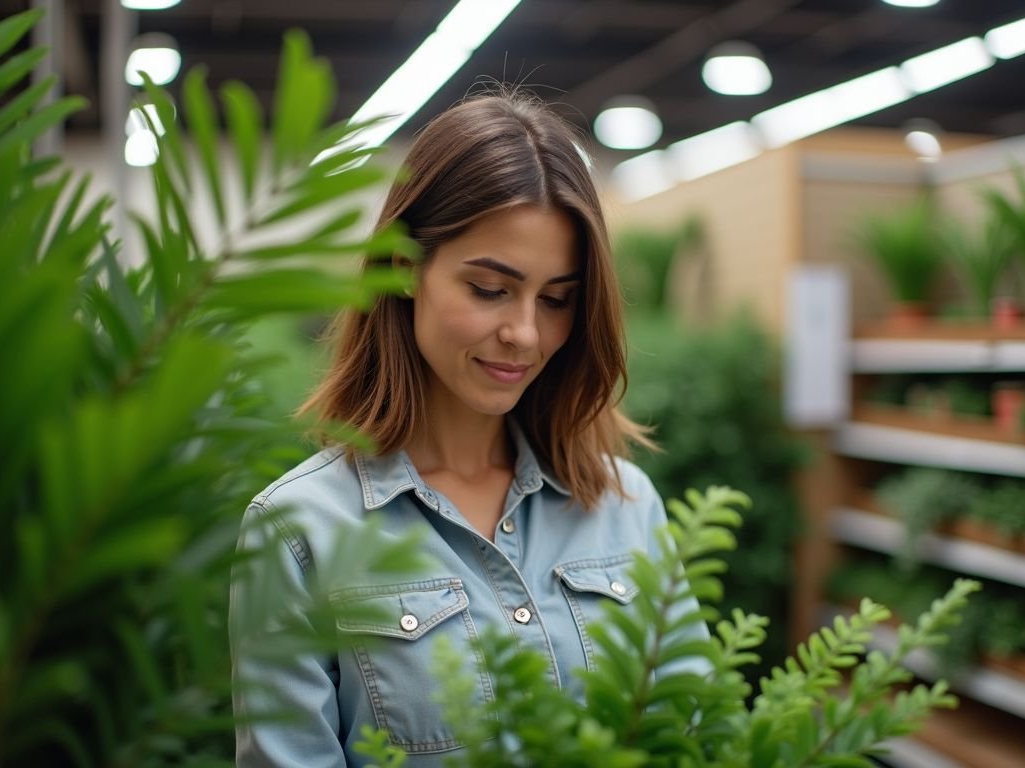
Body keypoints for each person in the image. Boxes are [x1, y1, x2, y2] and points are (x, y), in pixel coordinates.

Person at [230, 89, 699, 767]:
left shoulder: (626, 505)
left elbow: (693, 734)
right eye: (489, 289)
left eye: (558, 299)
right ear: (404, 270)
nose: (526, 333)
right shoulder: (299, 532)